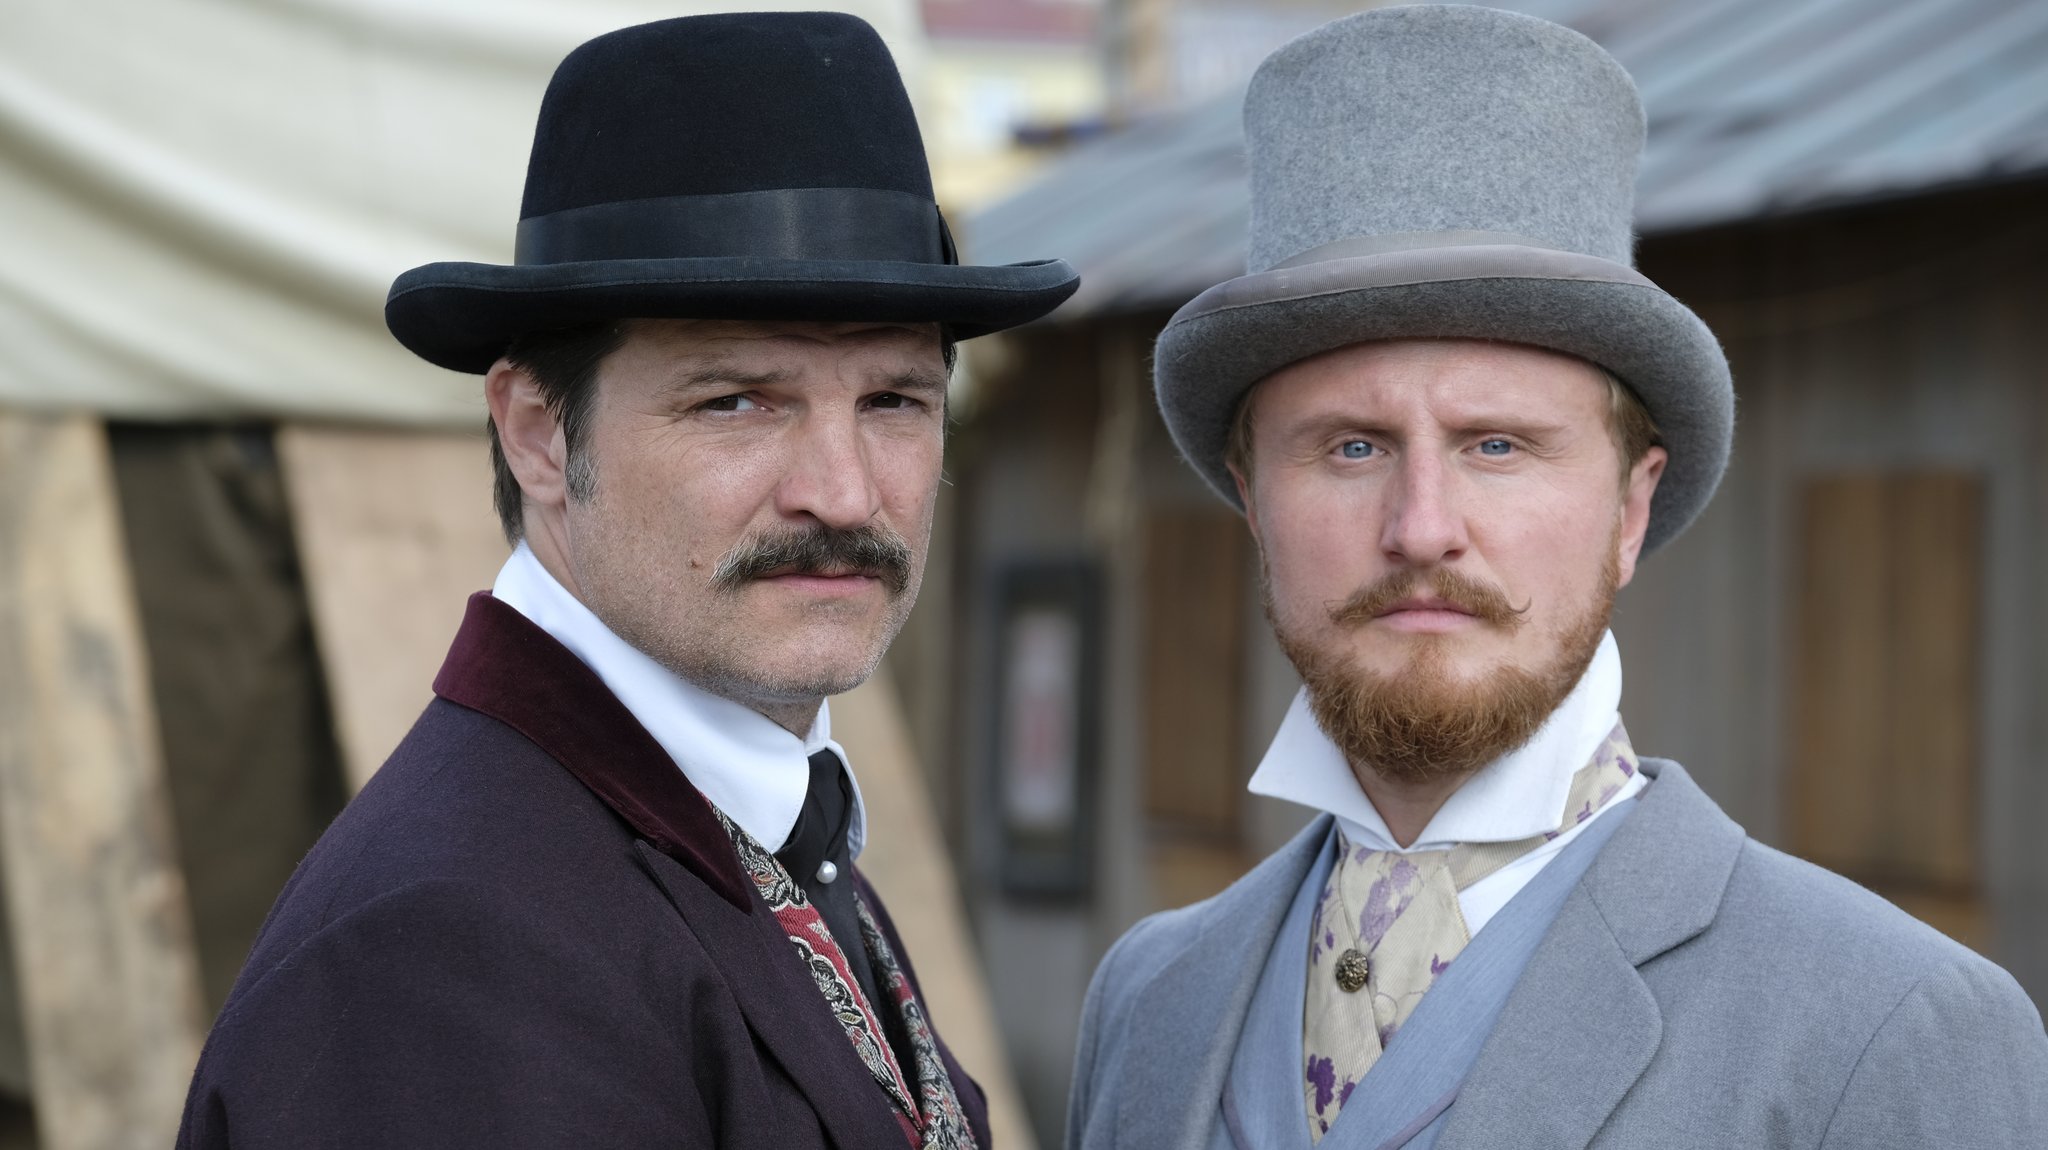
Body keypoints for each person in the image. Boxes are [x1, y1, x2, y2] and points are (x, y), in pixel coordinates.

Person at [1067, 7, 2048, 1149]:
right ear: (1249, 499)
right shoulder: (1145, 1001)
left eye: (1497, 444)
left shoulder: (1895, 1030)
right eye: (1349, 446)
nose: (1421, 528)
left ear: (1628, 510)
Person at [175, 13, 1076, 1149]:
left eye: (893, 399)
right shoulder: (453, 949)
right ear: (538, 433)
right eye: (736, 401)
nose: (843, 494)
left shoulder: (735, 825)